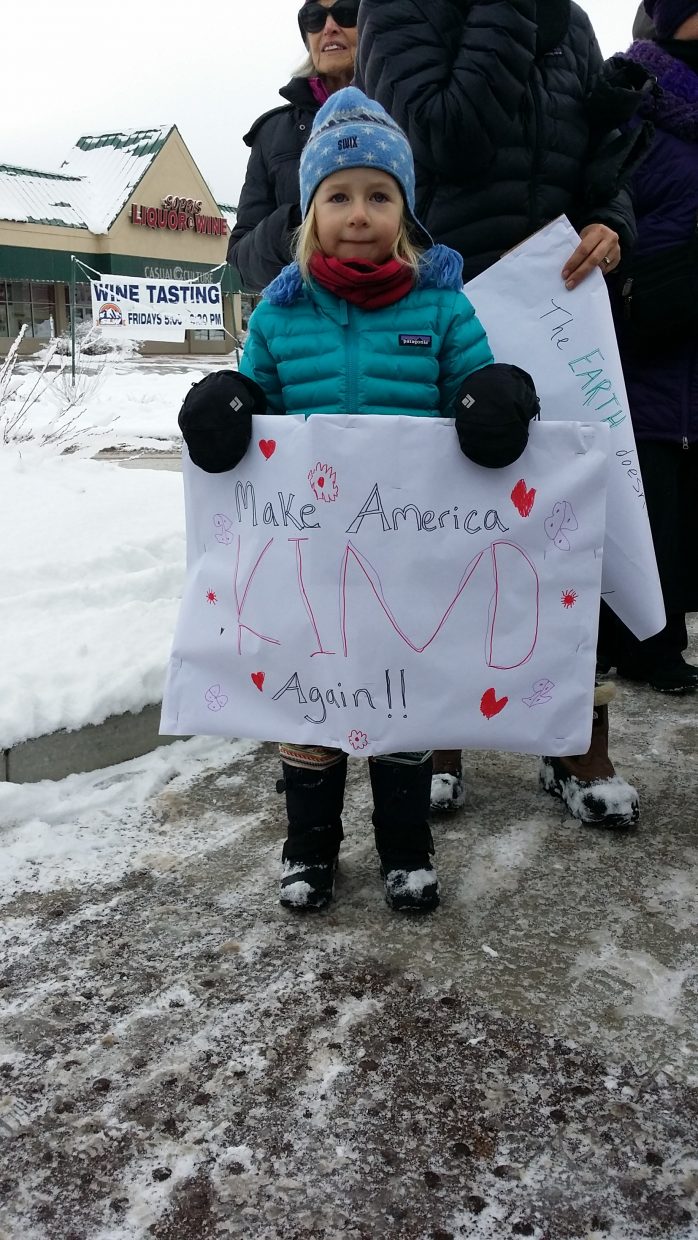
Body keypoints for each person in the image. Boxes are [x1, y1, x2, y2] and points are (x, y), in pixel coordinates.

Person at [179, 87, 539, 913]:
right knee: (311, 710)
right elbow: (258, 397)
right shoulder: (280, 313)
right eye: (338, 196)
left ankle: (406, 852)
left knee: (398, 709)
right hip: (307, 562)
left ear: (405, 212)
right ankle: (308, 849)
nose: (359, 212)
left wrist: (493, 395)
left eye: (380, 195)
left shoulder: (442, 306)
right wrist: (231, 398)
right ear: (310, 213)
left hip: (405, 563)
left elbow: (469, 385)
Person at [356, 0, 649, 828]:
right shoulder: (401, 11)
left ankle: (574, 739)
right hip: (447, 310)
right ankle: (439, 736)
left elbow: (601, 161)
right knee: (446, 534)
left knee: (569, 530)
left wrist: (609, 222)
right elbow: (447, 135)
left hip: (557, 310)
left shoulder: (573, 23)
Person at [597, 0, 698, 693]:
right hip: (646, 335)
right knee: (646, 497)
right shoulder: (631, 98)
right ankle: (643, 644)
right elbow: (603, 199)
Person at [227, 0, 359, 291]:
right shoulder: (272, 133)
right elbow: (241, 264)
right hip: (308, 325)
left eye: (346, 12)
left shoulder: (411, 110)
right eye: (314, 18)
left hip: (397, 318)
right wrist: (298, 226)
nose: (329, 27)